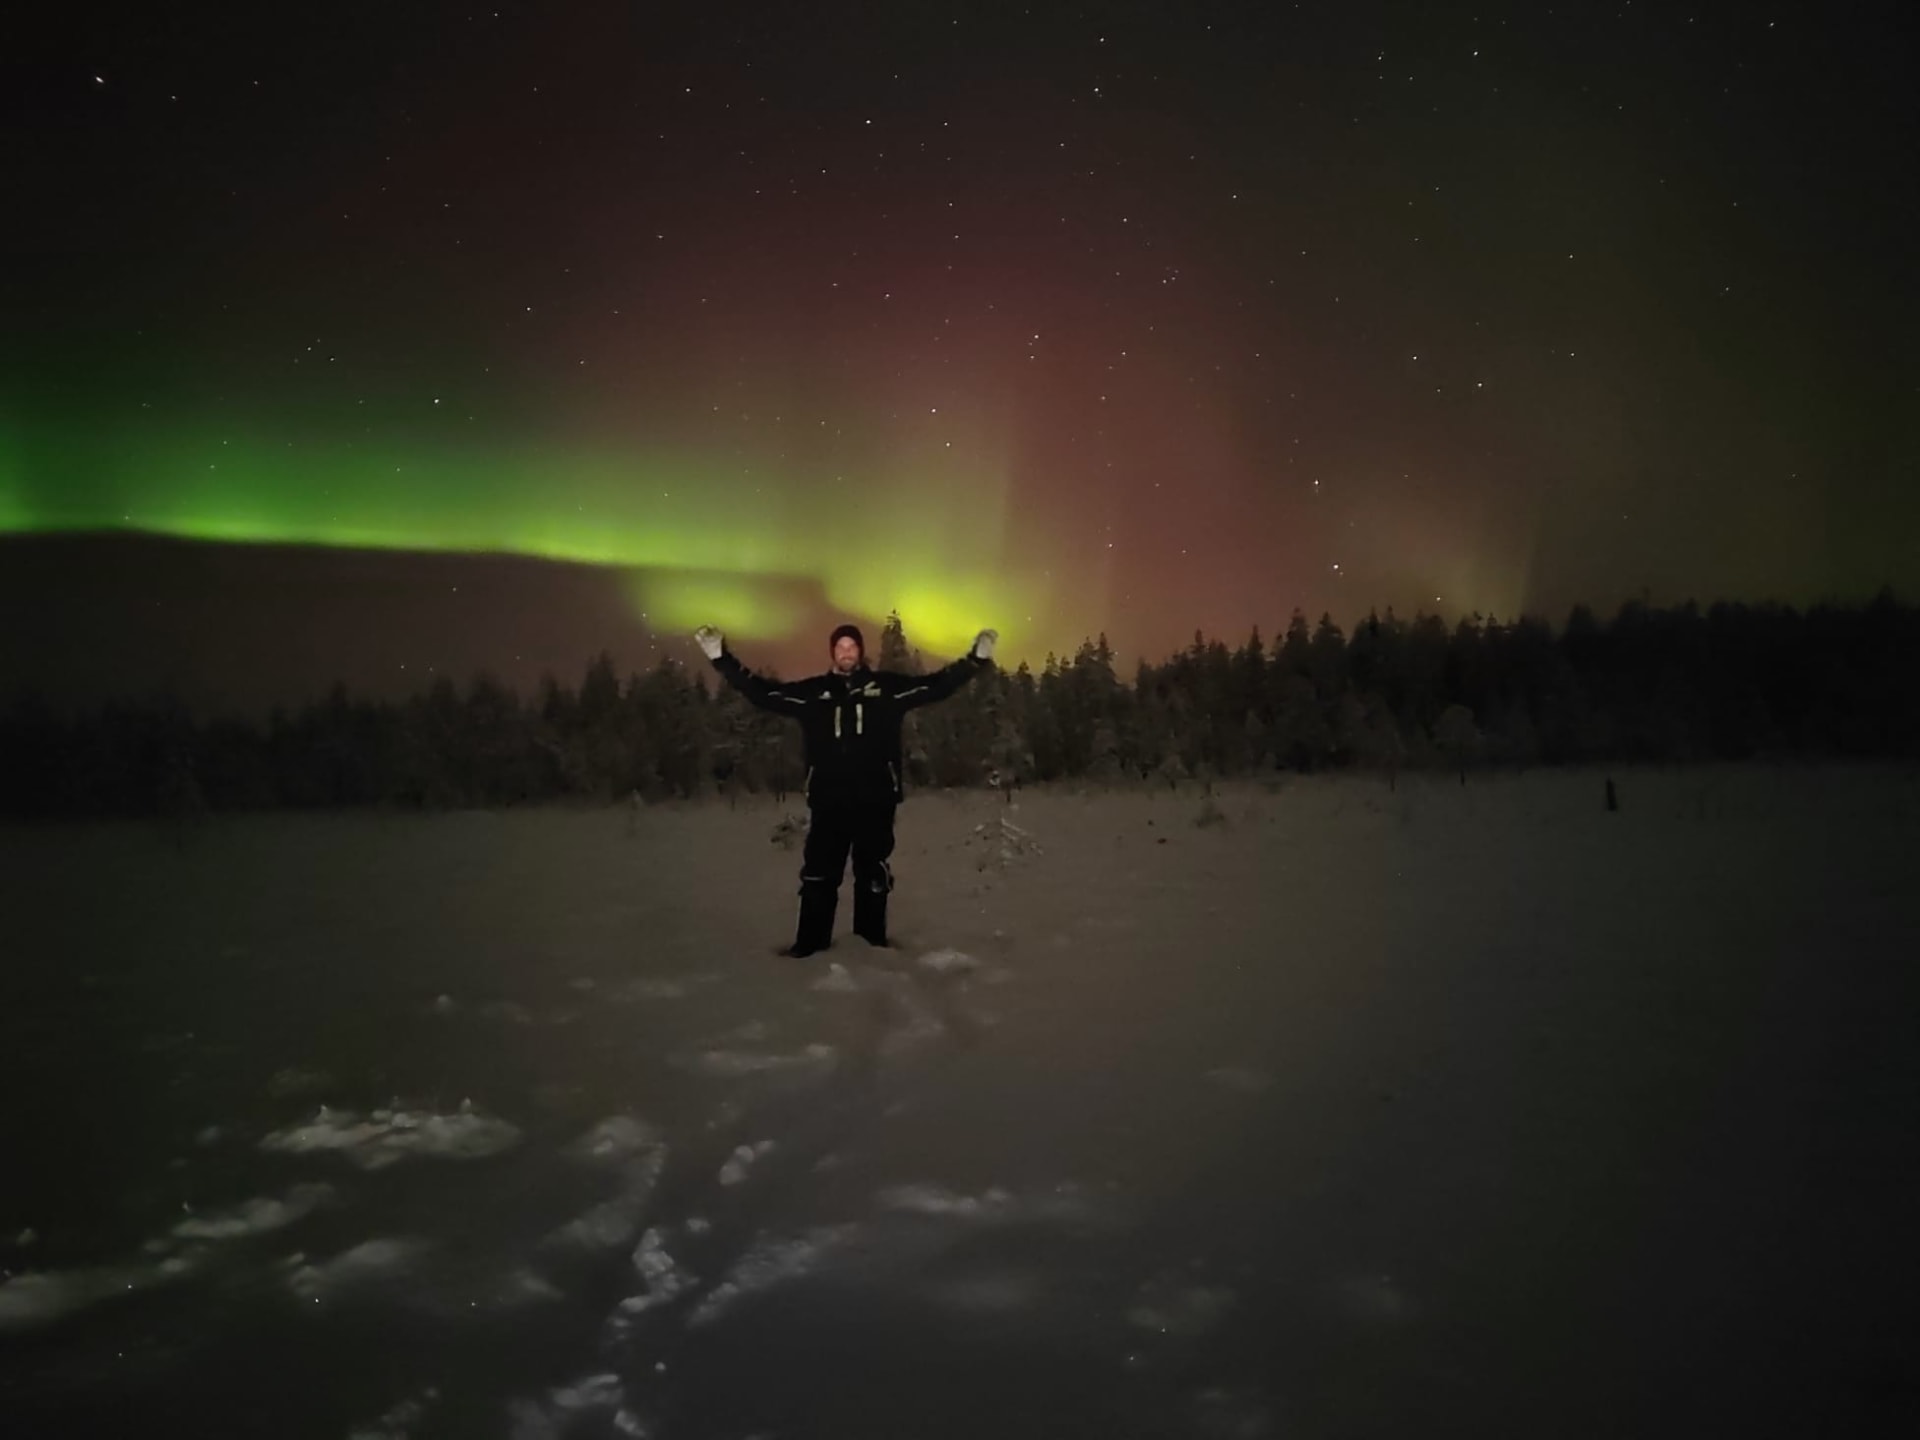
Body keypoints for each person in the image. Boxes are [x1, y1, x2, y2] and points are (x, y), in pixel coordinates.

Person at [695, 620, 997, 956]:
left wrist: (975, 659)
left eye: (852, 647)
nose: (846, 653)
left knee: (872, 876)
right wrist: (721, 658)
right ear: (832, 654)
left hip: (876, 801)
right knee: (819, 876)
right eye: (840, 648)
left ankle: (870, 947)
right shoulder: (815, 695)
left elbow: (935, 686)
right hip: (828, 803)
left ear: (861, 652)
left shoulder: (886, 690)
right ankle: (809, 947)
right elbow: (764, 693)